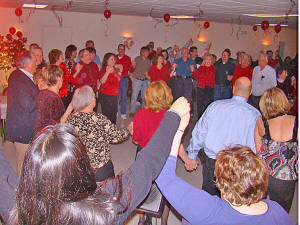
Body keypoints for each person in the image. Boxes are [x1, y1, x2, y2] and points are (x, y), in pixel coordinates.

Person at [8, 97, 190, 225]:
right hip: (102, 169)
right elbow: (146, 166)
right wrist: (172, 117)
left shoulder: (19, 210)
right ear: (79, 161)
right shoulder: (102, 210)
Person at [156, 145, 293, 225]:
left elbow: (164, 177)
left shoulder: (209, 209)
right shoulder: (277, 211)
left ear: (222, 184)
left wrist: (178, 129)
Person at [185, 77, 260, 196]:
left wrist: (191, 156)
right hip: (237, 166)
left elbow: (199, 132)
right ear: (250, 92)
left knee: (209, 197)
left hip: (213, 162)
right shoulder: (255, 115)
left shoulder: (215, 106)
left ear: (233, 88)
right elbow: (256, 146)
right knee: (233, 199)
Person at [131, 80, 173, 225]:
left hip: (144, 155)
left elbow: (136, 140)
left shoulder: (141, 114)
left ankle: (142, 219)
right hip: (163, 156)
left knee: (142, 187)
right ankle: (163, 222)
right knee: (166, 190)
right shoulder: (171, 116)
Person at [67, 85, 129, 182]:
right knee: (106, 191)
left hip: (80, 167)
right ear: (91, 102)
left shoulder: (71, 118)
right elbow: (116, 137)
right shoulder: (99, 119)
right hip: (100, 168)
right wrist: (128, 129)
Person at [255, 87, 298, 213]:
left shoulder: (262, 121)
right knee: (281, 212)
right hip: (285, 178)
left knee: (261, 208)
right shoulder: (296, 121)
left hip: (264, 174)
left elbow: (258, 150)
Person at [5, 50, 39, 176]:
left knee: (25, 162)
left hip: (23, 127)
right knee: (24, 163)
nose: (37, 64)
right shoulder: (20, 78)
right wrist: (42, 96)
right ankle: (21, 191)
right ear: (28, 64)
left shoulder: (21, 76)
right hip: (22, 129)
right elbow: (28, 104)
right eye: (35, 61)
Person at [34, 65, 73, 133]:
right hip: (48, 138)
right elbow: (56, 126)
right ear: (58, 79)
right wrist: (70, 108)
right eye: (61, 77)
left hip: (40, 135)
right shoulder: (53, 98)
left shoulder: (43, 93)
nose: (62, 79)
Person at [98, 53, 123, 124]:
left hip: (114, 95)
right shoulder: (104, 69)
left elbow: (119, 80)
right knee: (106, 115)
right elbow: (102, 81)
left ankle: (113, 128)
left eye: (114, 59)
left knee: (114, 113)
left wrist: (120, 72)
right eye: (111, 59)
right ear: (106, 61)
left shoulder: (115, 69)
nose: (113, 61)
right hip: (105, 95)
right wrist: (107, 72)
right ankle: (107, 130)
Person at [129, 46, 151, 117]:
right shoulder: (137, 59)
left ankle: (142, 111)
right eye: (146, 52)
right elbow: (132, 68)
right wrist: (133, 65)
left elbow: (149, 70)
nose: (148, 53)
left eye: (148, 52)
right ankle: (132, 111)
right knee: (134, 97)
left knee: (144, 97)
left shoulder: (148, 61)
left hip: (145, 81)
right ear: (142, 52)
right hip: (137, 80)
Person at [192, 54, 215, 118]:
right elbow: (196, 76)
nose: (208, 61)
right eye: (207, 59)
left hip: (209, 88)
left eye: (210, 59)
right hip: (201, 87)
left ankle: (207, 117)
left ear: (211, 61)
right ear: (204, 60)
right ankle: (199, 118)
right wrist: (192, 71)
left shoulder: (213, 68)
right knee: (200, 104)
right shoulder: (201, 68)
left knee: (208, 104)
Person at [116, 44, 134, 119]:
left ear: (124, 50)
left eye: (123, 49)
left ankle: (123, 113)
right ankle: (116, 111)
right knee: (116, 96)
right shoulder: (114, 57)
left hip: (124, 79)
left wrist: (133, 65)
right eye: (120, 49)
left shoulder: (127, 58)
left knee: (123, 97)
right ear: (118, 49)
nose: (121, 51)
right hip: (116, 78)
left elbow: (131, 70)